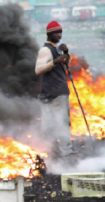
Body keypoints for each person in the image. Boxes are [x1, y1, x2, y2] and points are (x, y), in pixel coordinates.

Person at [35, 21, 74, 157]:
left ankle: (65, 153)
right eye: (57, 33)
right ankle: (50, 153)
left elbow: (66, 63)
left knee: (62, 122)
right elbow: (38, 69)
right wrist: (55, 62)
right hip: (51, 93)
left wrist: (66, 52)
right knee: (49, 126)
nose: (59, 35)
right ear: (50, 34)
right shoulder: (45, 50)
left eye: (60, 32)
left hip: (58, 92)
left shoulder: (56, 48)